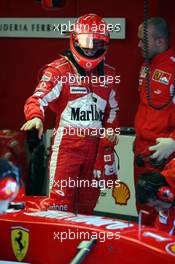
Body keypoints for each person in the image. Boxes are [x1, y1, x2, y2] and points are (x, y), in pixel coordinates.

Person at [21, 13, 119, 215]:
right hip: (67, 145)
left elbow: (113, 111)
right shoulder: (58, 70)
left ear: (105, 44)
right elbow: (37, 99)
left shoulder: (109, 75)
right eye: (85, 41)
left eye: (96, 43)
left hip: (96, 147)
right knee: (60, 204)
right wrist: (36, 117)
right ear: (74, 39)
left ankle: (80, 244)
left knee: (87, 207)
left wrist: (111, 131)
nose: (90, 48)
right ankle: (59, 243)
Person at [134, 17, 175, 225]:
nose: (139, 45)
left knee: (162, 215)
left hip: (164, 156)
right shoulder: (146, 65)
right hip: (142, 153)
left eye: (143, 40)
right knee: (142, 210)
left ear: (159, 41)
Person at [137, 158, 175, 235]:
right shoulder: (165, 207)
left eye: (157, 205)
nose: (158, 210)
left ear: (165, 193)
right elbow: (162, 234)